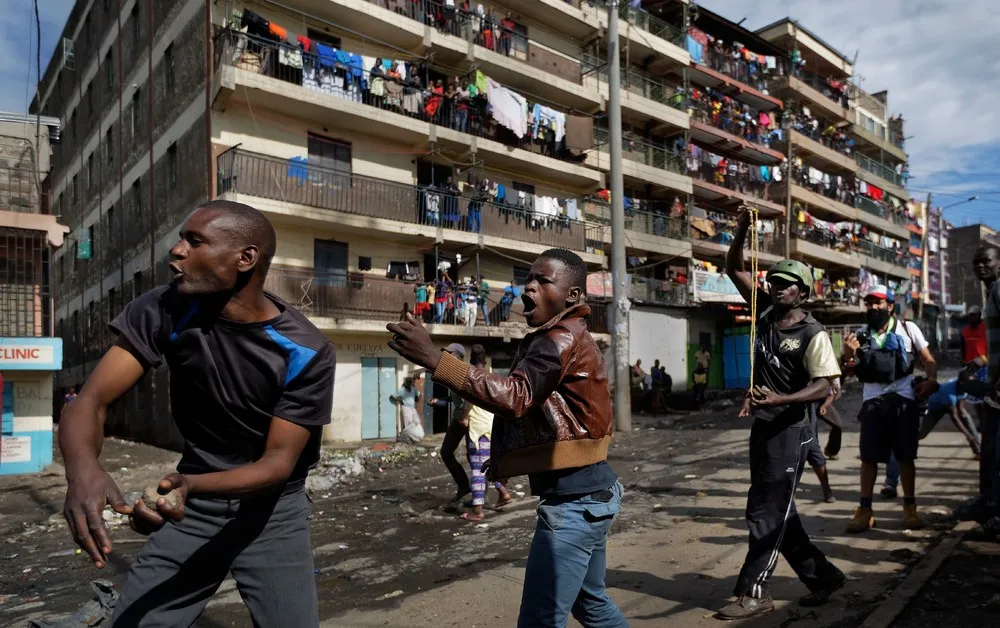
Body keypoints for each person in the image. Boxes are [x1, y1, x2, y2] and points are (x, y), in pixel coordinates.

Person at [59, 201, 335, 627]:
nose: (176, 250)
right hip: (195, 510)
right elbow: (91, 401)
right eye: (181, 238)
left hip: (272, 514)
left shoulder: (306, 351)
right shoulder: (166, 308)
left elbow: (278, 464)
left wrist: (188, 484)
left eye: (195, 240)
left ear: (246, 258)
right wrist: (82, 470)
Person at [387, 248, 627, 627]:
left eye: (543, 280)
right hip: (593, 494)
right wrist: (506, 458)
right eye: (527, 279)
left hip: (574, 505)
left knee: (539, 620)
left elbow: (516, 396)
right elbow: (540, 410)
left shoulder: (558, 339)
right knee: (591, 604)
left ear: (573, 296)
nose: (527, 287)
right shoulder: (568, 336)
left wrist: (436, 359)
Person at [715, 209, 845, 620]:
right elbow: (733, 265)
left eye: (788, 285)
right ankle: (823, 578)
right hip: (766, 426)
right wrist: (741, 230)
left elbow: (824, 383)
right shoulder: (765, 313)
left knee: (765, 513)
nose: (777, 288)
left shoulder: (813, 333)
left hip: (793, 431)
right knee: (776, 510)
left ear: (802, 294)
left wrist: (780, 400)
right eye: (773, 281)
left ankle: (754, 591)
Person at [841, 285, 937, 533]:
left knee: (906, 457)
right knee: (868, 459)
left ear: (890, 306)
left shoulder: (908, 329)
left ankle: (910, 509)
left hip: (903, 400)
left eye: (879, 302)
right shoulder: (859, 335)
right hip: (872, 403)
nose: (874, 307)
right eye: (870, 302)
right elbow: (847, 371)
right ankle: (865, 511)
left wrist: (931, 380)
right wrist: (847, 355)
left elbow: (927, 359)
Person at [460, 345, 513, 521]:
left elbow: (468, 403)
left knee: (477, 469)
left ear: (471, 360)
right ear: (485, 361)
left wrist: (464, 417)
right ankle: (503, 493)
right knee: (486, 464)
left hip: (477, 429)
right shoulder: (492, 377)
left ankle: (477, 511)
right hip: (491, 427)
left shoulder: (472, 377)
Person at [973, 245, 1000, 531]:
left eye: (986, 261)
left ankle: (992, 510)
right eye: (976, 262)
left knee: (995, 448)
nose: (981, 266)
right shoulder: (992, 291)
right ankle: (988, 506)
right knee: (990, 446)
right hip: (995, 384)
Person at [429, 343, 472, 501]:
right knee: (446, 452)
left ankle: (485, 494)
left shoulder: (466, 371)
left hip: (470, 419)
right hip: (458, 417)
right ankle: (464, 487)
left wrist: (465, 416)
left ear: (459, 356)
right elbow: (453, 398)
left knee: (473, 457)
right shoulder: (453, 372)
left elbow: (470, 398)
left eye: (449, 353)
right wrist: (439, 400)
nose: (446, 356)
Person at [392, 374, 425, 444]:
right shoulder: (402, 390)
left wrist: (417, 399)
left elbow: (419, 394)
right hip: (406, 408)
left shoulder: (413, 389)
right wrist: (400, 401)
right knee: (408, 424)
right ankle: (409, 438)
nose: (409, 385)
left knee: (417, 421)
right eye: (408, 383)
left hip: (413, 408)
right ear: (406, 383)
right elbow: (393, 396)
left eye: (410, 383)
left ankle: (417, 436)